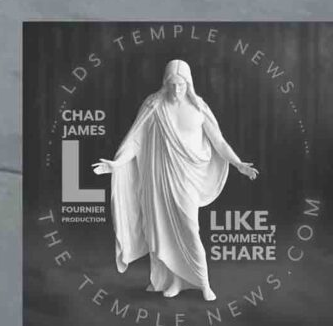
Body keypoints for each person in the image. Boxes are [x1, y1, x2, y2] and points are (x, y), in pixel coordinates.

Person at [93, 59, 257, 303]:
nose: (176, 90)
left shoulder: (199, 108)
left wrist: (238, 163)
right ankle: (175, 281)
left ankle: (203, 283)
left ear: (188, 84)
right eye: (172, 84)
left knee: (190, 229)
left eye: (181, 85)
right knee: (164, 231)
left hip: (187, 179)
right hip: (160, 180)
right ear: (165, 83)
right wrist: (116, 164)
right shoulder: (153, 106)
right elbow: (135, 141)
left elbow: (219, 142)